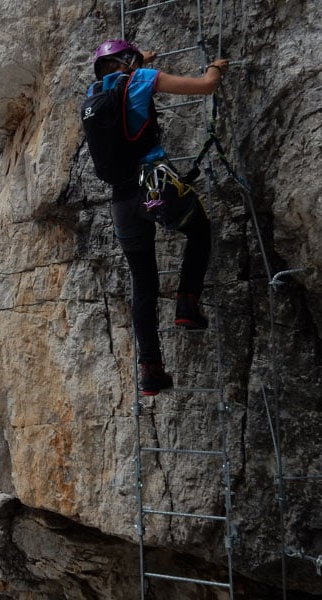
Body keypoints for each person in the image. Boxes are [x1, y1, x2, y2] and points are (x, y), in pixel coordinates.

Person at [87, 39, 229, 396]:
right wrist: (216, 67)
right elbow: (205, 87)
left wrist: (139, 61)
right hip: (156, 186)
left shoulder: (93, 96)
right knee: (199, 231)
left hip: (122, 202)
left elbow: (122, 90)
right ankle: (187, 305)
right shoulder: (142, 79)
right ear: (129, 62)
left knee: (143, 285)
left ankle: (150, 370)